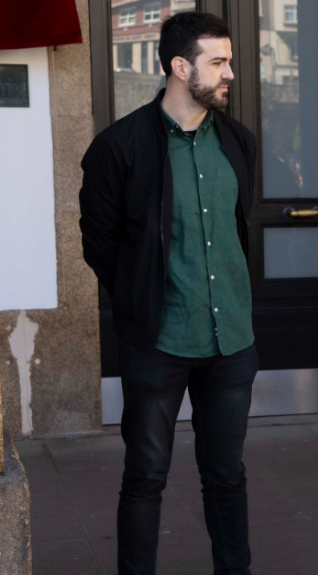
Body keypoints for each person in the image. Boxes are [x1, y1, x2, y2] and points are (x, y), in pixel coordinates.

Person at [78, 12, 258, 575]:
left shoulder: (237, 140)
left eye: (230, 60)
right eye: (218, 62)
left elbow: (236, 229)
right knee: (145, 477)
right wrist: (141, 301)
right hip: (158, 341)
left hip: (231, 340)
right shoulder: (119, 147)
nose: (231, 72)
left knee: (227, 475)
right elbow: (100, 247)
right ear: (181, 68)